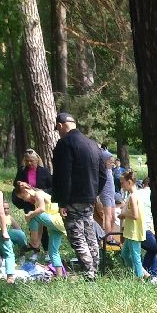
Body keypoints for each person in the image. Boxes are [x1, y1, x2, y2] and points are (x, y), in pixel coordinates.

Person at [51, 112, 104, 281]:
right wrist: (94, 192)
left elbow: (63, 175)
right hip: (90, 198)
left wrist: (62, 201)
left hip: (72, 199)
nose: (58, 133)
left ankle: (89, 274)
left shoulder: (64, 144)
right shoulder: (93, 144)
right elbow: (103, 175)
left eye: (57, 129)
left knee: (77, 236)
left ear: (60, 126)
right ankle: (95, 269)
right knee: (89, 234)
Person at [14, 181, 67, 275]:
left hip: (57, 220)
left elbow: (42, 209)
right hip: (54, 226)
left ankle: (33, 242)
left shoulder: (39, 194)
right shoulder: (35, 204)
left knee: (32, 215)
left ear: (27, 191)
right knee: (53, 251)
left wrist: (29, 215)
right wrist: (38, 240)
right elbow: (41, 225)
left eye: (23, 197)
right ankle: (60, 276)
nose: (24, 200)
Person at [118, 170, 147, 279]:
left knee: (136, 257)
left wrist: (123, 214)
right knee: (125, 254)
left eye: (122, 183)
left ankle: (140, 278)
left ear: (129, 182)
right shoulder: (135, 195)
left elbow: (135, 215)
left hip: (134, 232)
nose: (122, 185)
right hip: (130, 231)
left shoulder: (133, 196)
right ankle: (139, 272)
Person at [134, 177, 157, 278]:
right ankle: (153, 274)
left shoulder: (137, 193)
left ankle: (145, 270)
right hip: (146, 228)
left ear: (143, 184)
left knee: (152, 249)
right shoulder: (151, 195)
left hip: (135, 229)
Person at [98, 149, 118, 232]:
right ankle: (108, 237)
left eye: (112, 162)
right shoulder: (103, 171)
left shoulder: (109, 170)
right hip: (105, 195)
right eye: (110, 161)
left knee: (113, 217)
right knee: (108, 216)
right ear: (104, 161)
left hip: (112, 195)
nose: (112, 164)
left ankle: (111, 236)